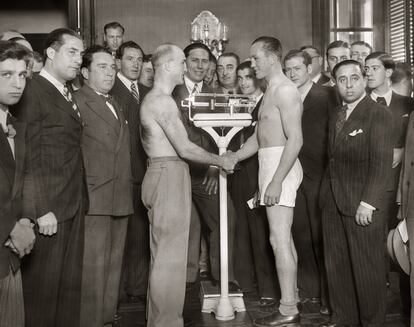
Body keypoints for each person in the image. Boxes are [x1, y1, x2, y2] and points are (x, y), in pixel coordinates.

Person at [140, 43, 236, 327]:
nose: (186, 68)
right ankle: (167, 322)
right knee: (169, 260)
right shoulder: (162, 101)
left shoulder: (158, 99)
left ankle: (161, 320)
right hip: (168, 173)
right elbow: (185, 148)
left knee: (165, 257)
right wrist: (221, 161)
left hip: (168, 173)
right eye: (182, 62)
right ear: (168, 66)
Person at [228, 36, 304, 326]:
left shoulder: (285, 91)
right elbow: (260, 138)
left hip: (280, 165)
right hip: (269, 163)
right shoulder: (269, 90)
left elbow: (295, 140)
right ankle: (291, 301)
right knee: (281, 238)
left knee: (278, 238)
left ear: (273, 58)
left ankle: (288, 310)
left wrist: (275, 181)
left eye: (256, 58)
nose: (252, 63)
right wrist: (234, 157)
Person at [15, 28, 86, 327]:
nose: (79, 60)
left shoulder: (64, 91)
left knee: (67, 294)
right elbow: (25, 156)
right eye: (72, 52)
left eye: (81, 54)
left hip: (71, 204)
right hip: (49, 212)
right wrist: (39, 209)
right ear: (51, 53)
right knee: (43, 296)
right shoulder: (33, 91)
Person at [319, 60, 393, 327]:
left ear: (364, 80)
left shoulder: (378, 114)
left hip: (362, 205)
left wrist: (368, 202)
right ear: (334, 83)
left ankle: (373, 323)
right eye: (342, 79)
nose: (348, 85)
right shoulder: (337, 114)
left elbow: (381, 163)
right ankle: (343, 319)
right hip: (333, 204)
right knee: (337, 269)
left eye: (354, 78)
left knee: (368, 271)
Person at [75, 45, 133, 327]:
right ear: (85, 72)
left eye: (112, 67)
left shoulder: (115, 102)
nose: (110, 72)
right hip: (94, 198)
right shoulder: (76, 101)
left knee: (112, 267)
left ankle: (106, 319)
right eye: (102, 67)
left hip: (119, 195)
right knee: (93, 271)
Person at [172, 42, 238, 286]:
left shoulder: (215, 93)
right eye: (194, 60)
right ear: (184, 62)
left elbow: (224, 133)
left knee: (225, 218)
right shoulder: (171, 91)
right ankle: (186, 283)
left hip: (206, 171)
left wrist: (214, 166)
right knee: (185, 228)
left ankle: (223, 281)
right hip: (177, 170)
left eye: (204, 61)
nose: (199, 66)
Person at [284, 49, 331, 315]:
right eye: (288, 70)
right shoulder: (284, 95)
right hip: (293, 173)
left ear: (310, 68)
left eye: (297, 69)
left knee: (320, 236)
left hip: (319, 174)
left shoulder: (326, 96)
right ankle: (310, 292)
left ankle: (328, 296)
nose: (292, 74)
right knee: (300, 235)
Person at [229, 60, 280, 305]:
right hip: (237, 173)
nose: (244, 82)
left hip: (259, 172)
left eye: (248, 76)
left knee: (261, 231)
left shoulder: (267, 101)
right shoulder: (235, 103)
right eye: (240, 77)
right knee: (240, 228)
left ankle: (268, 288)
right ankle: (245, 283)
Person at [110, 40, 150, 303]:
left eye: (139, 59)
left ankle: (137, 288)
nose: (135, 64)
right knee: (121, 238)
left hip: (146, 175)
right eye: (129, 59)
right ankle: (119, 293)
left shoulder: (148, 91)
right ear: (118, 62)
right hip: (122, 175)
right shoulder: (110, 91)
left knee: (141, 236)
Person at [0, 40, 35, 327]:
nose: (17, 83)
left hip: (10, 253)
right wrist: (10, 228)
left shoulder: (12, 124)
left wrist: (24, 221)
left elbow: (16, 183)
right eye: (6, 74)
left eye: (22, 75)